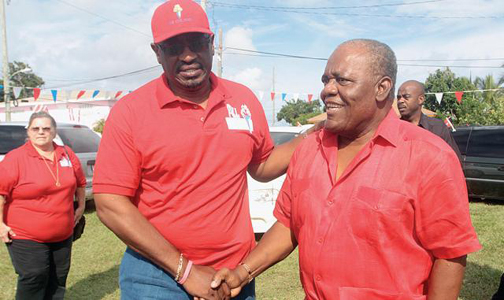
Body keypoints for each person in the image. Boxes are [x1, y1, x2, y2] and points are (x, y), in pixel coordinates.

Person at [210, 39, 482, 300]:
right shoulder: (309, 149)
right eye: (326, 80)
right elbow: (289, 224)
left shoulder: (428, 156)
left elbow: (450, 254)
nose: (327, 90)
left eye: (342, 80)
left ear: (382, 88)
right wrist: (242, 273)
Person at [92, 1, 319, 299]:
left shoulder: (243, 99)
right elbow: (110, 203)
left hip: (234, 273)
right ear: (157, 52)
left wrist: (311, 136)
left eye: (197, 43)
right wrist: (185, 271)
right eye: (173, 46)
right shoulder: (131, 111)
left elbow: (261, 166)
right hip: (156, 276)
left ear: (212, 44)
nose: (187, 55)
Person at [0, 111, 86, 300]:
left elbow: (80, 183)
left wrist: (80, 206)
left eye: (46, 128)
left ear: (54, 132)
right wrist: (1, 225)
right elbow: (1, 193)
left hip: (63, 232)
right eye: (35, 128)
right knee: (34, 276)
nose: (41, 132)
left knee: (58, 278)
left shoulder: (67, 154)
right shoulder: (15, 158)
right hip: (25, 234)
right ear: (28, 132)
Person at [397, 80, 461, 156]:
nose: (400, 101)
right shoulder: (394, 129)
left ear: (420, 99)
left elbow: (453, 160)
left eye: (406, 97)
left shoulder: (438, 128)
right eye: (398, 97)